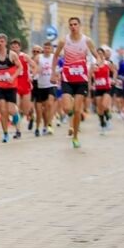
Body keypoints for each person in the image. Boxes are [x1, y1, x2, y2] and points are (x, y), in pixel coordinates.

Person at [50, 16, 96, 149]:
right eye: (71, 24)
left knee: (77, 110)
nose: (73, 26)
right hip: (67, 79)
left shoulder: (87, 40)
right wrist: (53, 72)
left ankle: (75, 136)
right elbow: (56, 55)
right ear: (69, 26)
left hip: (81, 80)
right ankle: (72, 122)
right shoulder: (64, 41)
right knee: (66, 108)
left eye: (75, 24)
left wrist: (98, 61)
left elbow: (96, 54)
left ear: (79, 25)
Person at [0, 33, 21, 143]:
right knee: (3, 111)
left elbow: (19, 67)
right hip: (0, 86)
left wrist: (13, 77)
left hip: (11, 86)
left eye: (2, 41)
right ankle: (6, 134)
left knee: (11, 110)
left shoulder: (12, 55)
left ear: (5, 43)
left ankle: (16, 116)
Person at [30, 43, 56, 136]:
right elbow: (35, 67)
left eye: (49, 48)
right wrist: (33, 74)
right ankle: (42, 126)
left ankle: (49, 125)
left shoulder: (54, 57)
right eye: (45, 48)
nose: (47, 50)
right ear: (43, 49)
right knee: (42, 109)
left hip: (52, 84)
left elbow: (59, 67)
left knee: (49, 104)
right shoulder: (38, 57)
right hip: (41, 85)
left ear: (51, 49)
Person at [90, 47, 115, 134]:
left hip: (107, 88)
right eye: (98, 53)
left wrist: (113, 80)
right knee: (99, 108)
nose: (99, 55)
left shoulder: (107, 63)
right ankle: (102, 124)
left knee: (104, 105)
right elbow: (89, 76)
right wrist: (90, 85)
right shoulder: (94, 65)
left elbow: (115, 71)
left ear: (104, 55)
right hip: (98, 88)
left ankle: (108, 118)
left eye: (101, 53)